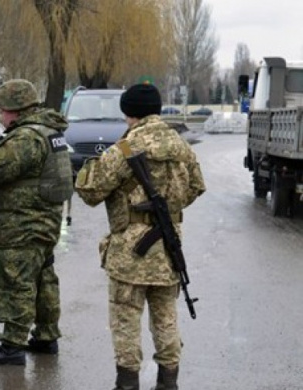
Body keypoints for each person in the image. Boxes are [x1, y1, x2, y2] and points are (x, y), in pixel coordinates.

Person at [74, 83, 206, 390]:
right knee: (166, 318)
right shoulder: (180, 145)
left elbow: (89, 191)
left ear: (128, 112)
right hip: (168, 249)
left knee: (126, 319)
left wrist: (91, 167)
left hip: (129, 252)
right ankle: (168, 382)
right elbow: (197, 185)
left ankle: (127, 382)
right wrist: (170, 207)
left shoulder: (127, 147)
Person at [0, 79, 72, 366]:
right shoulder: (49, 132)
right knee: (44, 280)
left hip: (23, 226)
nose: (0, 115)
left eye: (3, 109)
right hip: (43, 224)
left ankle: (12, 346)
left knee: (17, 284)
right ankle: (46, 337)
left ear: (17, 109)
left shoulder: (25, 138)